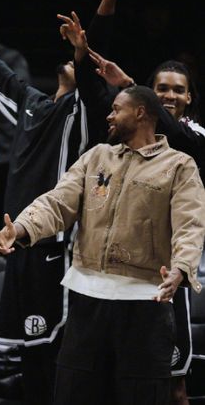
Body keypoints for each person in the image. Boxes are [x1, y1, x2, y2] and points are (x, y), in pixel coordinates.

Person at [0, 0, 132, 403]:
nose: (75, 61)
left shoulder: (89, 111)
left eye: (80, 62)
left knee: (58, 355)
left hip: (60, 247)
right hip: (19, 242)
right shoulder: (31, 104)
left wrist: (107, 0)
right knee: (29, 359)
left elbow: (95, 68)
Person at [0, 85, 205, 405]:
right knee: (75, 394)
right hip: (87, 299)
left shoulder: (178, 165)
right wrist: (21, 228)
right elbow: (57, 202)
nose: (109, 116)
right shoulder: (96, 157)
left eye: (117, 109)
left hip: (144, 302)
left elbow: (190, 225)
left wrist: (181, 268)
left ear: (140, 113)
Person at [72, 44, 205, 405]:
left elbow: (178, 138)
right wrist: (82, 55)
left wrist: (132, 86)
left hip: (174, 263)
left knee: (174, 386)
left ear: (190, 97)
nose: (170, 95)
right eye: (161, 89)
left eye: (178, 90)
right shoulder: (123, 143)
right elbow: (97, 100)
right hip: (127, 272)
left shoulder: (195, 134)